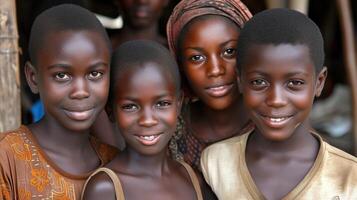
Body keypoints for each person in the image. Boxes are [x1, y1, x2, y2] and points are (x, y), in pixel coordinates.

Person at [201, 8, 357, 199]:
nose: (276, 100)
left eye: (295, 83)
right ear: (240, 81)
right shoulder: (216, 164)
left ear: (319, 82)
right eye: (259, 82)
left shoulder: (349, 178)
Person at [0, 4, 117, 199]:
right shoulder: (7, 158)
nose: (80, 91)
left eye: (95, 74)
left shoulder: (116, 164)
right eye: (62, 75)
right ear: (33, 78)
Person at [81, 40, 203, 200]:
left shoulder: (192, 179)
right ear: (110, 110)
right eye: (131, 106)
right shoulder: (105, 189)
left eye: (162, 104)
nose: (148, 120)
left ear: (178, 103)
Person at [166, 0, 252, 170]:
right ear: (180, 64)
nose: (215, 70)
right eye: (196, 58)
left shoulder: (274, 124)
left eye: (229, 52)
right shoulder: (166, 128)